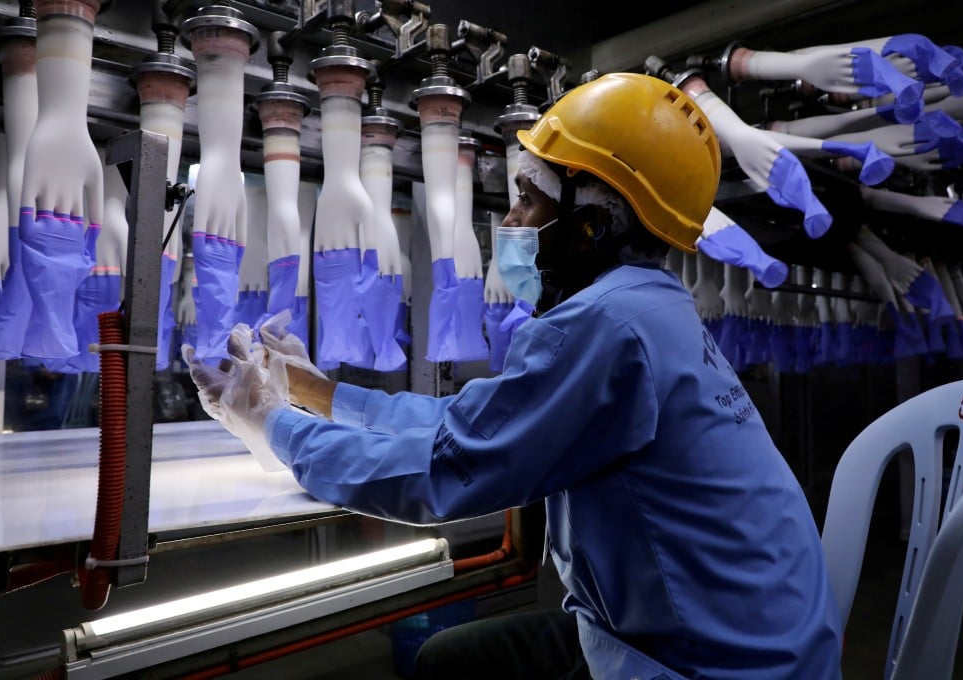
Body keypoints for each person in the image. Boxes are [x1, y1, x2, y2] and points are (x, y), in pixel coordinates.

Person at [185, 72, 843, 679]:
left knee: (452, 666)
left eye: (527, 199)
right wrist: (310, 391)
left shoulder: (605, 327)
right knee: (454, 659)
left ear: (591, 225)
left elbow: (443, 474)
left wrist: (273, 426)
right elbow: (468, 425)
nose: (509, 222)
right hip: (745, 643)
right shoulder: (649, 308)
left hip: (705, 665)